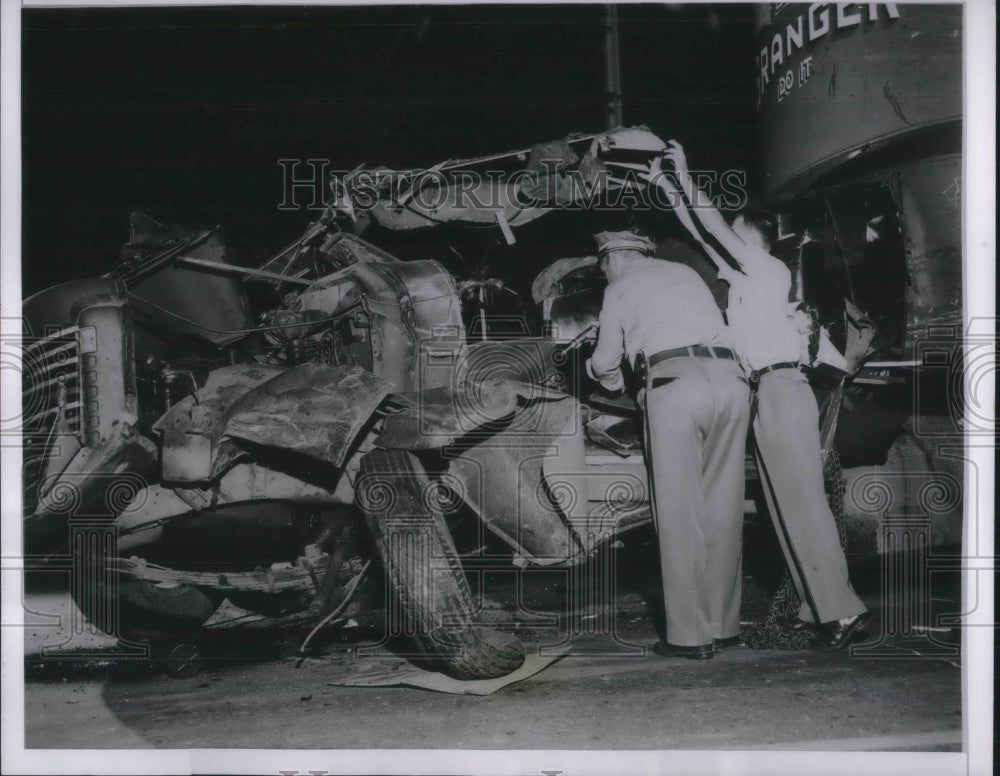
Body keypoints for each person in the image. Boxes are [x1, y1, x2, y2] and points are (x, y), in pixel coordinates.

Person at [649, 140, 870, 649]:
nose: (724, 246)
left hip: (782, 388)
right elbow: (701, 232)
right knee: (783, 506)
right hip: (767, 392)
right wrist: (667, 190)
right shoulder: (751, 279)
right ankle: (823, 611)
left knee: (803, 503)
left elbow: (712, 227)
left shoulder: (766, 270)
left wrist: (683, 171)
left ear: (753, 238)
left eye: (735, 234)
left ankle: (844, 610)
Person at [586, 229, 750, 660]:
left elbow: (605, 360)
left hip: (674, 383)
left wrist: (611, 379)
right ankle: (724, 626)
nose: (604, 275)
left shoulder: (619, 287)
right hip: (733, 382)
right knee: (724, 505)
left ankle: (689, 636)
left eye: (602, 266)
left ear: (614, 259)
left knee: (679, 511)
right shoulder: (684, 272)